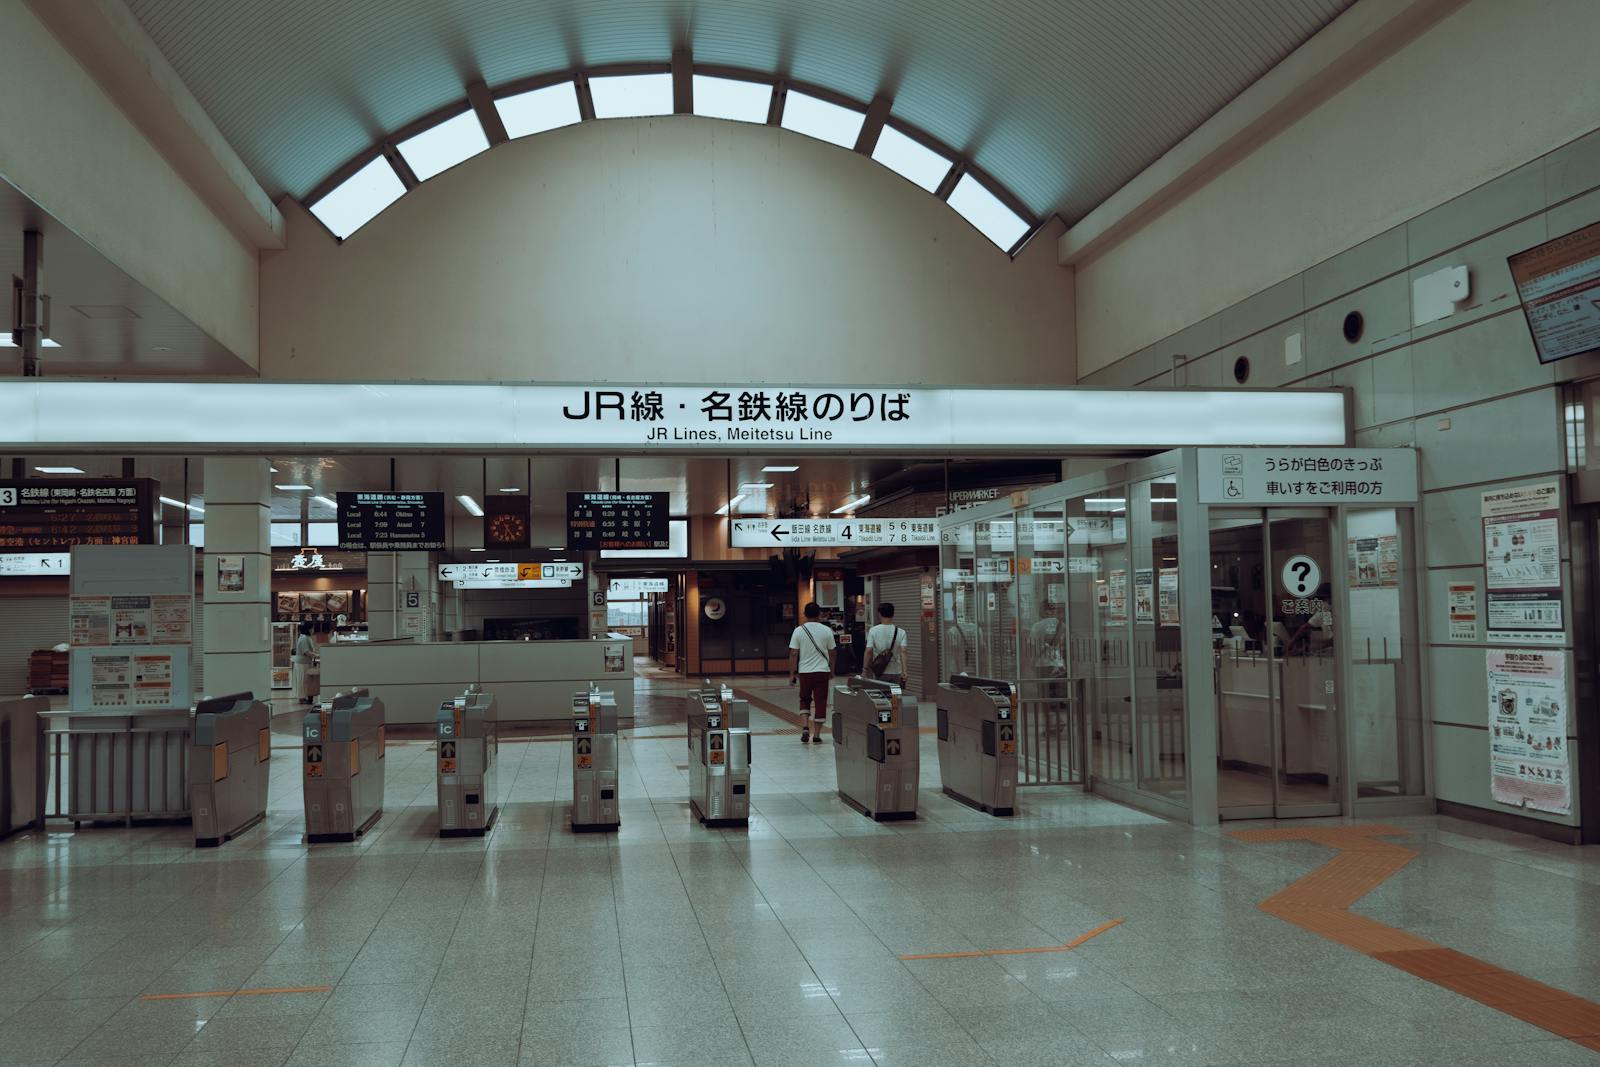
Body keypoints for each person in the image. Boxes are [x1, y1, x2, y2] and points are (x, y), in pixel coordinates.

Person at [788, 602, 836, 744]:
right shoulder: (827, 630)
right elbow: (833, 652)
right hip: (822, 671)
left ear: (804, 614)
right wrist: (832, 670)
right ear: (819, 614)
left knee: (804, 699)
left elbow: (793, 653)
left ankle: (804, 727)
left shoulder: (798, 630)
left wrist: (792, 674)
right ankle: (817, 735)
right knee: (821, 701)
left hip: (805, 672)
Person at [863, 602, 908, 686]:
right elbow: (903, 651)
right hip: (896, 671)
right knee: (896, 697)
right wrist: (904, 670)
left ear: (879, 614)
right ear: (893, 614)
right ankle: (895, 699)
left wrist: (865, 670)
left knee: (882, 696)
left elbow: (868, 651)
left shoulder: (873, 630)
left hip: (880, 671)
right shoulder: (901, 632)